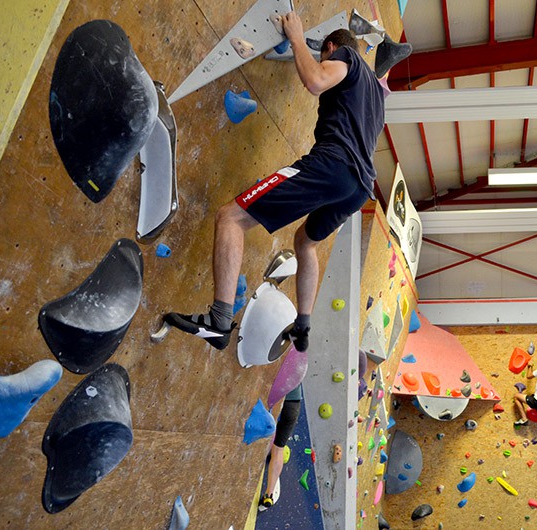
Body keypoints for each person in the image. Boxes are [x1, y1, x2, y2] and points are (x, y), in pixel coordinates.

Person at [162, 11, 385, 352]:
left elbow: (316, 82)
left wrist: (296, 36)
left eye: (323, 55)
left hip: (333, 166)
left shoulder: (347, 57)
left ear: (330, 47)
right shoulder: (375, 95)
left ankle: (219, 322)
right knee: (305, 242)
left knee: (230, 218)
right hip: (358, 190)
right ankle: (304, 322)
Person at [259, 384, 302, 511]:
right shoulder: (299, 365)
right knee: (279, 449)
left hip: (276, 396)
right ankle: (269, 494)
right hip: (293, 404)